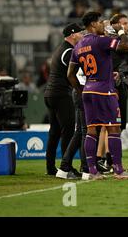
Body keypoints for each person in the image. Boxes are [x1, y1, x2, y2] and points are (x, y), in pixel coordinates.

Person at [67, 11, 128, 180]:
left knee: (92, 131)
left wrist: (81, 89)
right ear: (93, 25)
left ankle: (92, 171)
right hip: (104, 91)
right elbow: (127, 47)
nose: (102, 24)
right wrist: (120, 31)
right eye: (100, 22)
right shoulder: (101, 40)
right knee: (113, 128)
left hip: (89, 90)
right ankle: (119, 171)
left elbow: (70, 74)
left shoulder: (78, 45)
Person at [43, 23, 84, 176]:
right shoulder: (69, 51)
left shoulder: (61, 49)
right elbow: (73, 73)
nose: (82, 35)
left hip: (51, 94)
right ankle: (66, 167)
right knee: (68, 131)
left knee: (54, 132)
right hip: (61, 94)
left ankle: (50, 167)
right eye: (80, 32)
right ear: (73, 34)